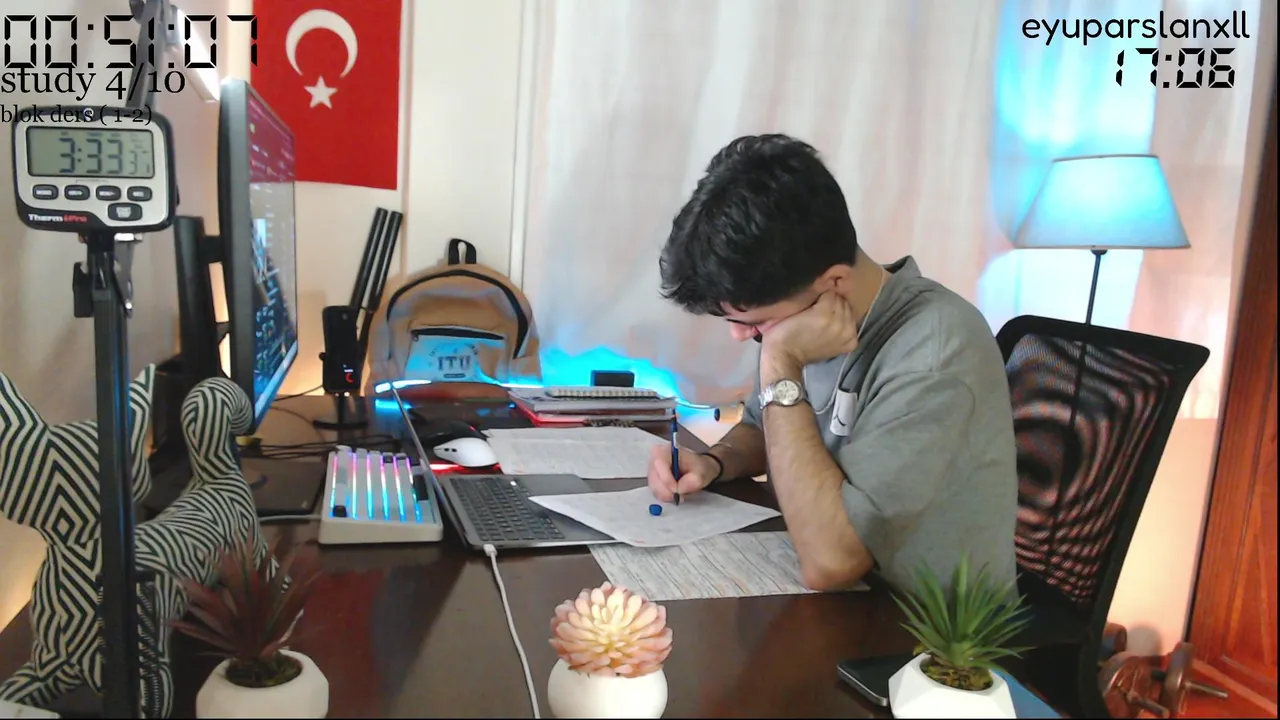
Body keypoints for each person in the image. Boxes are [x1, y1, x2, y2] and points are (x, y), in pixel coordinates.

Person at [649, 134, 1018, 593]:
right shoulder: (811, 316)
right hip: (835, 595)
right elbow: (764, 428)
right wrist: (713, 462)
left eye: (755, 322)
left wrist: (780, 361)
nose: (741, 335)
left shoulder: (935, 353)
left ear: (835, 282)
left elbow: (831, 562)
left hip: (921, 625)